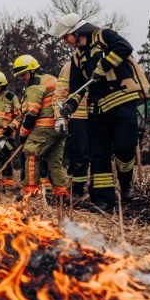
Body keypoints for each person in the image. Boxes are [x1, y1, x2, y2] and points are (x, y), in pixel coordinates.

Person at [52, 13, 147, 212]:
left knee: (124, 147)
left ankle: (126, 181)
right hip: (98, 110)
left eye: (66, 37)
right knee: (99, 156)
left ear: (76, 32)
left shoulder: (104, 36)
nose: (65, 42)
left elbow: (125, 47)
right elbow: (77, 89)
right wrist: (69, 107)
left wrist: (103, 66)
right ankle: (105, 201)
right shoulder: (77, 57)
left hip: (121, 102)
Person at [12, 55, 69, 200]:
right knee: (54, 161)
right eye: (19, 76)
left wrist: (23, 135)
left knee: (31, 154)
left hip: (44, 127)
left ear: (33, 71)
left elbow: (31, 114)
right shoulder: (50, 78)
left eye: (24, 74)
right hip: (59, 126)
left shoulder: (35, 85)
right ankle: (61, 193)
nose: (22, 78)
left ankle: (29, 193)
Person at [57, 60, 91, 201]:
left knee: (99, 155)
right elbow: (60, 92)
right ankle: (77, 191)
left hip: (100, 115)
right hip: (78, 116)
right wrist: (59, 115)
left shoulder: (103, 59)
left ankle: (99, 192)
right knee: (80, 155)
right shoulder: (70, 66)